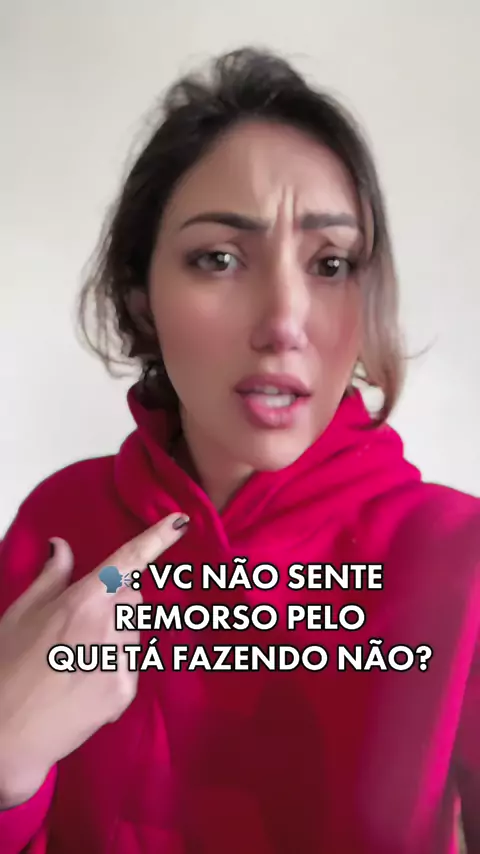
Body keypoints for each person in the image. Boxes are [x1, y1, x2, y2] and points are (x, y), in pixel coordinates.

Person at [0, 46, 478, 854]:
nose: (284, 322)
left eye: (331, 264)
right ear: (141, 299)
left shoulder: (459, 560)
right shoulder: (62, 530)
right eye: (219, 259)